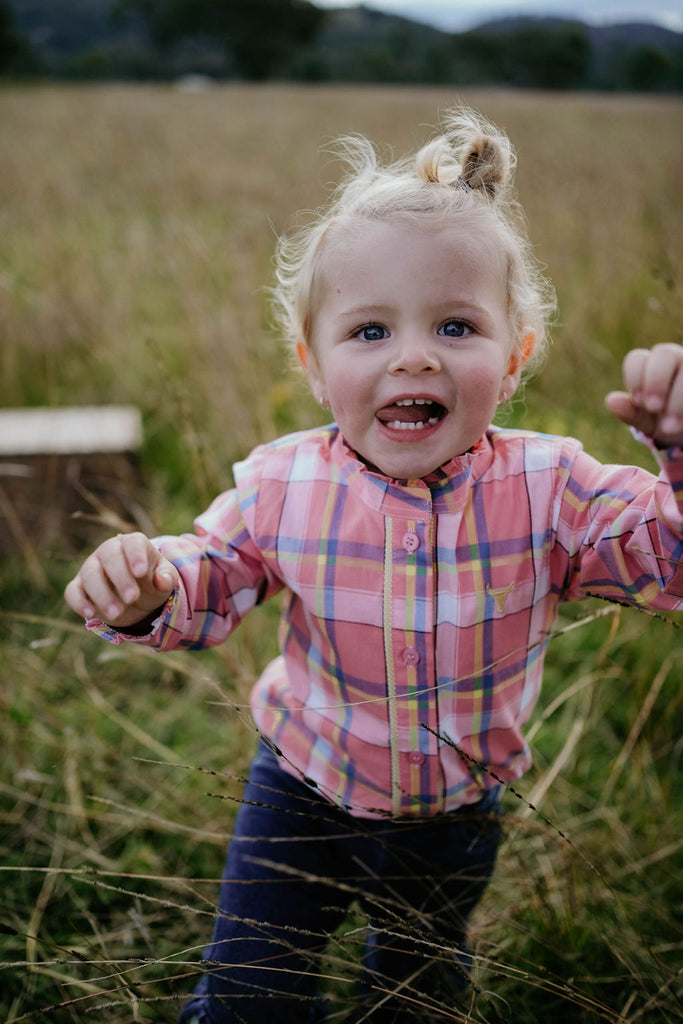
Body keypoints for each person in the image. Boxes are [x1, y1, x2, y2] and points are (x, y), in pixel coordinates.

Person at [64, 107, 683, 1023]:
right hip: (298, 789)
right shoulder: (283, 483)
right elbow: (211, 573)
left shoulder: (552, 489)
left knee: (417, 990)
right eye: (368, 333)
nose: (413, 357)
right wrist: (148, 585)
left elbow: (662, 557)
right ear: (312, 365)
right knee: (251, 991)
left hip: (457, 811)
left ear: (513, 357)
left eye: (456, 326)